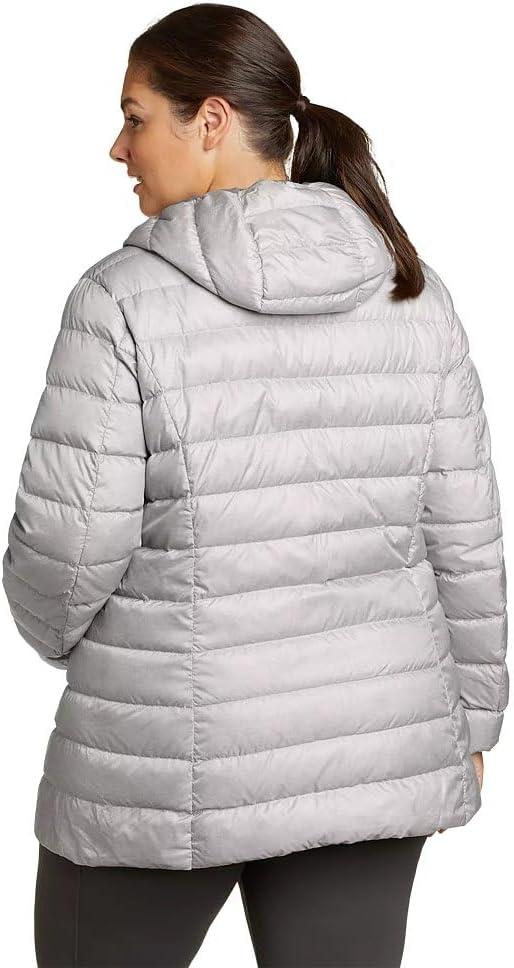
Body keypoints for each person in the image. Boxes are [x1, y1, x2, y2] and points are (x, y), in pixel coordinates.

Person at [2, 4, 507, 967]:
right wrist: (472, 721)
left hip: (159, 764)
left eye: (135, 117)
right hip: (371, 755)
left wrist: (54, 637)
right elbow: (465, 537)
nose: (118, 147)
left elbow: (64, 557)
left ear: (212, 120)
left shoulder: (120, 301)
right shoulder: (412, 291)